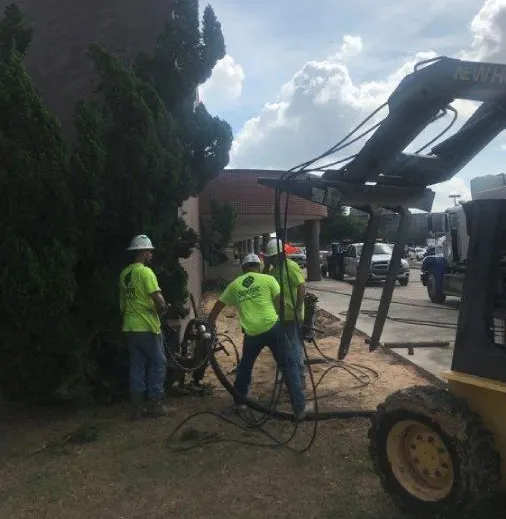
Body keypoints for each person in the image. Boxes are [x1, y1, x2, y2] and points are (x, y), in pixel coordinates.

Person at [208, 253, 306, 420]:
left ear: (243, 269)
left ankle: (240, 401)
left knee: (245, 367)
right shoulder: (268, 280)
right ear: (258, 267)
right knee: (288, 365)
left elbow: (218, 305)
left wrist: (211, 324)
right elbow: (280, 302)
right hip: (273, 327)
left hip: (252, 332)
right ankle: (299, 408)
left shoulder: (235, 284)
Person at [119, 234, 173, 420]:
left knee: (137, 365)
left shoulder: (124, 274)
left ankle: (137, 408)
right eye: (149, 251)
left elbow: (123, 304)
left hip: (130, 327)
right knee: (158, 363)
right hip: (147, 327)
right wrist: (163, 309)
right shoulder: (146, 273)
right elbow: (158, 299)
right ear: (142, 252)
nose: (151, 254)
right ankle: (155, 404)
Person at [263, 238, 307, 388]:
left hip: (290, 315)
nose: (271, 260)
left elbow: (301, 287)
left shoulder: (290, 266)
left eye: (272, 257)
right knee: (282, 348)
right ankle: (288, 375)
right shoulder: (273, 271)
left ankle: (300, 378)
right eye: (269, 258)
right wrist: (267, 266)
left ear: (280, 255)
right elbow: (263, 282)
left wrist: (297, 308)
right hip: (277, 316)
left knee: (294, 346)